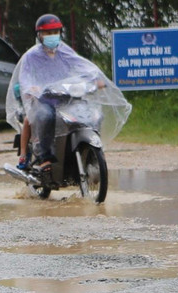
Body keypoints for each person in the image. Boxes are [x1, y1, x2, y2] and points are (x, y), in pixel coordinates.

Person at [11, 13, 107, 174]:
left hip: (66, 98)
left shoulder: (65, 52)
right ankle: (44, 157)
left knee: (93, 115)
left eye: (55, 32)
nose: (52, 36)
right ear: (39, 35)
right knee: (45, 116)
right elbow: (25, 77)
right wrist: (31, 88)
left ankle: (91, 152)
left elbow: (82, 67)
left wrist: (95, 80)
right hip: (43, 100)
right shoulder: (31, 56)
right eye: (48, 33)